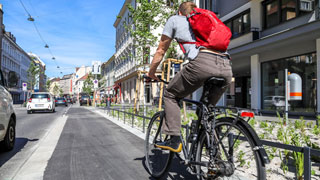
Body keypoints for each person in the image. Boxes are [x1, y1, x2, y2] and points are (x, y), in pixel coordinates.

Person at [147, 2, 233, 152]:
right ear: (196, 11)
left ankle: (174, 140)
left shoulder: (175, 19)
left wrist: (151, 72)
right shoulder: (209, 19)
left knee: (170, 94)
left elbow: (161, 50)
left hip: (202, 64)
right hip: (226, 66)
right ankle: (215, 156)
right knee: (207, 111)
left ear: (180, 12)